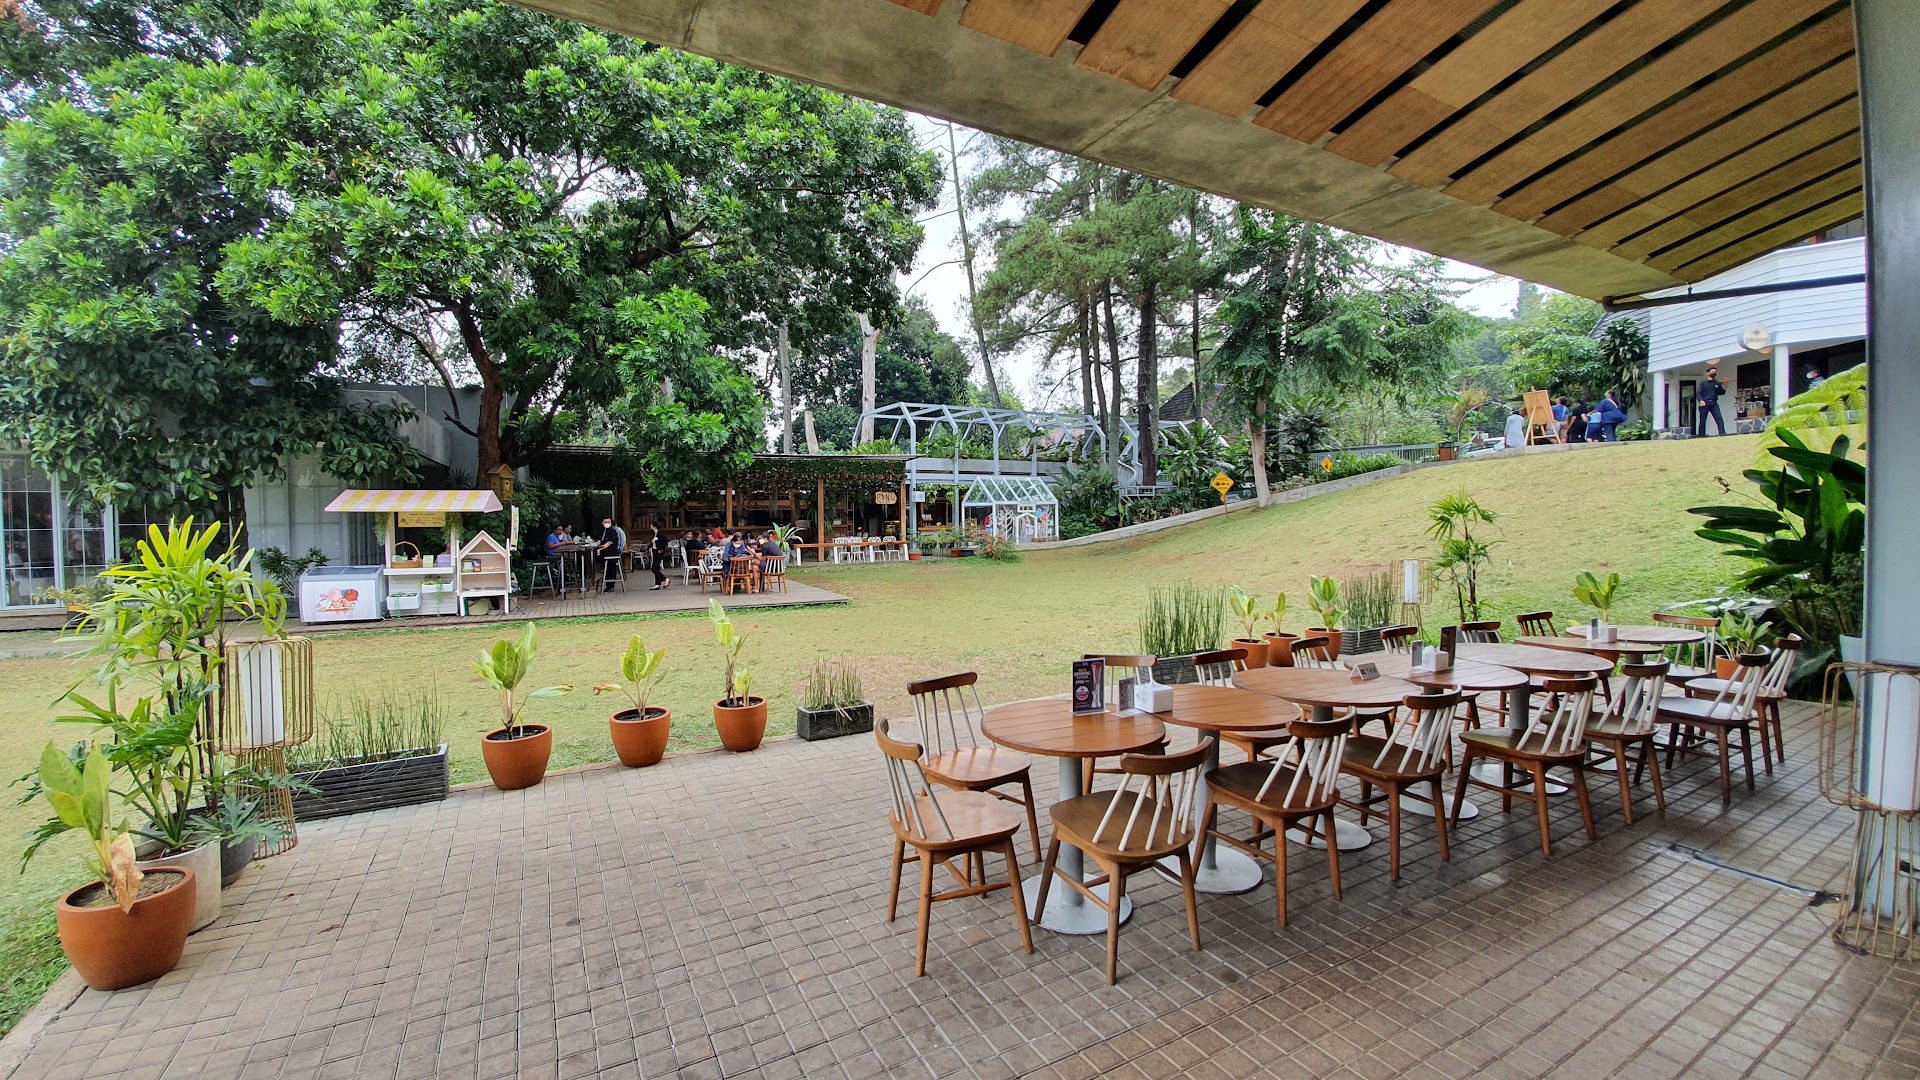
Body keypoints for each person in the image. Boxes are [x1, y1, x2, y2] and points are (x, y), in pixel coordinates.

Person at [1697, 365, 1727, 436]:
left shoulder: (1717, 383)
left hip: (1714, 403)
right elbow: (1698, 393)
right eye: (1712, 372)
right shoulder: (1703, 383)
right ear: (1708, 373)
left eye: (1715, 372)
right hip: (1705, 403)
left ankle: (1722, 433)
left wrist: (1725, 386)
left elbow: (1721, 392)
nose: (1714, 373)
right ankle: (1701, 435)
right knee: (1703, 420)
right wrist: (1701, 400)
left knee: (1719, 418)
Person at [596, 517, 626, 584]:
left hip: (612, 553)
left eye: (608, 522)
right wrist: (596, 544)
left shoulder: (613, 531)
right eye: (605, 522)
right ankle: (607, 583)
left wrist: (600, 549)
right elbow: (602, 540)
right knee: (605, 569)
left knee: (611, 568)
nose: (607, 524)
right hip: (604, 553)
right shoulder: (603, 531)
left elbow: (609, 543)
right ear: (602, 523)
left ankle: (611, 585)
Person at [648, 524, 670, 590]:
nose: (650, 527)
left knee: (654, 568)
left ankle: (665, 579)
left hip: (658, 552)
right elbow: (653, 543)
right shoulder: (655, 535)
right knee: (656, 568)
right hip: (654, 551)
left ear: (655, 527)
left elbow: (665, 541)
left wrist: (661, 549)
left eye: (651, 526)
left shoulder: (660, 535)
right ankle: (657, 584)